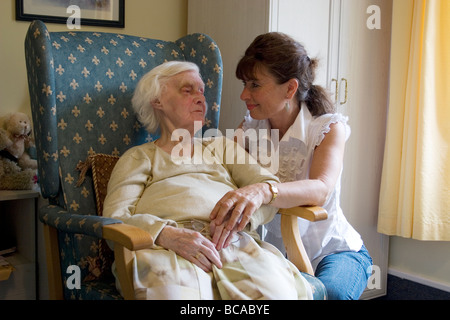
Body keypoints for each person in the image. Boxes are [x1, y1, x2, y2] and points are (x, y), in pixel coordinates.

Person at [102, 61, 313, 300]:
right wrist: (164, 234)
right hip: (164, 248)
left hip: (235, 243)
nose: (201, 98)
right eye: (187, 89)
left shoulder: (222, 147)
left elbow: (268, 192)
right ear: (157, 101)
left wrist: (240, 220)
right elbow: (114, 220)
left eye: (202, 91)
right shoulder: (139, 157)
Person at [209, 32, 373, 300]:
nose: (243, 95)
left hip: (334, 251)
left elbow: (320, 188)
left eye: (254, 85)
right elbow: (219, 171)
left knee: (329, 294)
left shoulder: (328, 128)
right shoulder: (249, 127)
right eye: (244, 83)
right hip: (275, 250)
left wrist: (264, 190)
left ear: (290, 88)